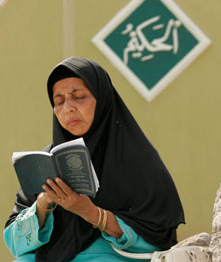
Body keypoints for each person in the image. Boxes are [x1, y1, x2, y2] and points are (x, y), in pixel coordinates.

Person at [3, 57, 185, 261]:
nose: (68, 108)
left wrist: (90, 213)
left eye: (79, 96)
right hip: (52, 254)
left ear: (103, 99)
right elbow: (13, 243)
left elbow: (158, 236)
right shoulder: (46, 160)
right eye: (59, 101)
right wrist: (43, 203)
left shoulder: (137, 159)